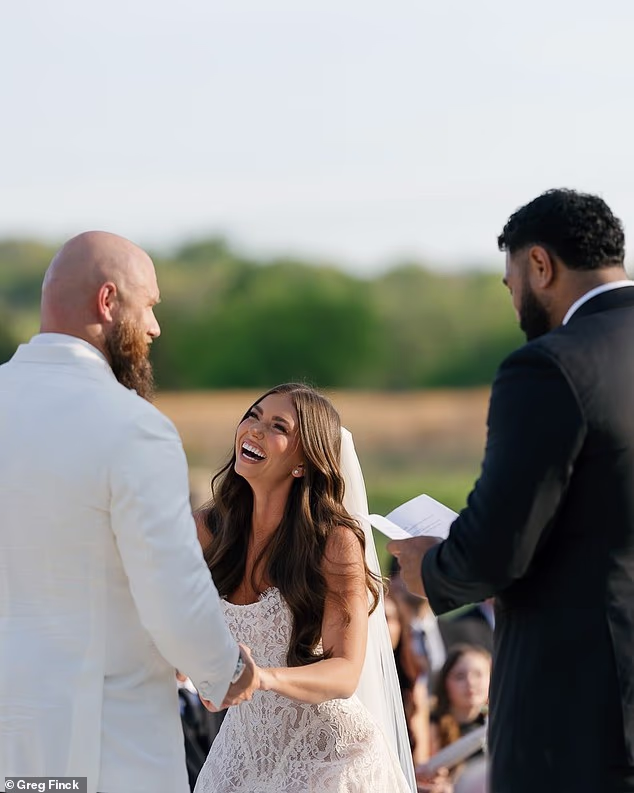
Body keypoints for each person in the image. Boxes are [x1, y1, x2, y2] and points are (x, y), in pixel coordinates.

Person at [388, 189, 634, 793]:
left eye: (511, 282)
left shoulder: (551, 366)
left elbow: (498, 545)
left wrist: (432, 568)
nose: (515, 300)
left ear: (540, 265)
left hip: (579, 712)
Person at [0, 231, 258, 793]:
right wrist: (225, 670)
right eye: (149, 306)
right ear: (108, 301)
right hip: (104, 740)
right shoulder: (134, 427)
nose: (155, 328)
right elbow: (172, 587)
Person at [193, 383, 416, 792]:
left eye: (278, 426)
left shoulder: (334, 542)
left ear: (302, 463)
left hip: (330, 758)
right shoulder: (206, 530)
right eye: (254, 416)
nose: (255, 429)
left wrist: (261, 679)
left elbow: (345, 672)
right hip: (242, 754)